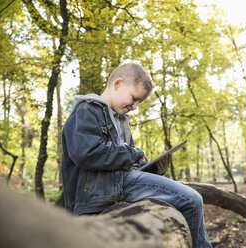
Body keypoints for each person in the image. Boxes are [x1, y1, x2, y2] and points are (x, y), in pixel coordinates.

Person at [61, 62, 212, 248]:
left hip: (118, 185)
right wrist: (135, 153)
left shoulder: (121, 119)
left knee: (189, 199)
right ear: (118, 84)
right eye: (134, 99)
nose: (134, 106)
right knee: (192, 199)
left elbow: (123, 164)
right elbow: (86, 154)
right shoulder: (87, 110)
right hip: (95, 196)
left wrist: (155, 169)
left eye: (139, 102)